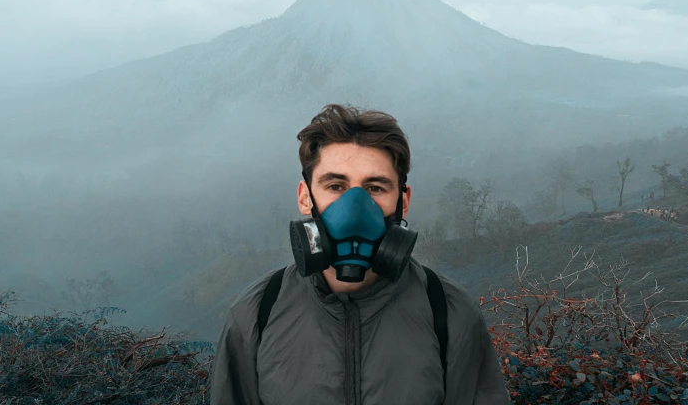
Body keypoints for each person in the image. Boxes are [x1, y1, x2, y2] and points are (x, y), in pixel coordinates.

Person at [210, 103, 511, 404]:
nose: (355, 208)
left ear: (402, 201)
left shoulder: (449, 313)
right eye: (335, 185)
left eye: (376, 188)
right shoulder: (255, 315)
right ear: (305, 197)